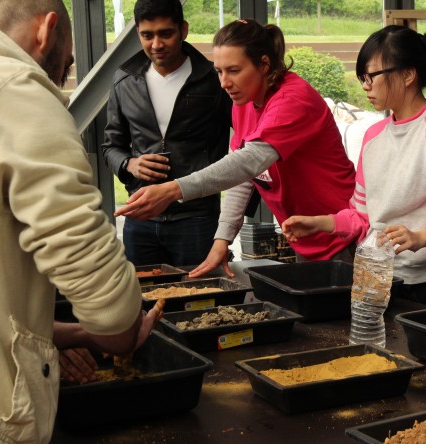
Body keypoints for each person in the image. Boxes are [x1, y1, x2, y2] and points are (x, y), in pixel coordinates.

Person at [0, 1, 159, 444]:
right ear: (47, 30)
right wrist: (118, 332)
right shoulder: (12, 91)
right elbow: (104, 297)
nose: (59, 80)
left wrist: (72, 336)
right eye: (66, 64)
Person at [114, 19, 356, 277]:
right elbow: (245, 177)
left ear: (263, 65)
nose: (224, 82)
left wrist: (173, 189)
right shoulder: (244, 102)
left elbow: (249, 161)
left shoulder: (293, 99)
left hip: (346, 236)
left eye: (234, 70)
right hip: (307, 238)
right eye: (219, 71)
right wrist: (222, 240)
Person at [281, 26, 426, 307]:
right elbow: (363, 219)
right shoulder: (374, 136)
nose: (365, 86)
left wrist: (423, 237)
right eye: (362, 78)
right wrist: (320, 223)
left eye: (372, 76)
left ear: (408, 74)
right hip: (378, 277)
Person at [102, 0, 232, 267]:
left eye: (165, 33)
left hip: (197, 218)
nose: (156, 44)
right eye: (147, 35)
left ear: (183, 30)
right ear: (137, 32)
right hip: (141, 218)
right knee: (144, 302)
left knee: (202, 302)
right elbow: (110, 147)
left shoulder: (213, 79)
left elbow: (247, 146)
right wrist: (130, 164)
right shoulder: (124, 79)